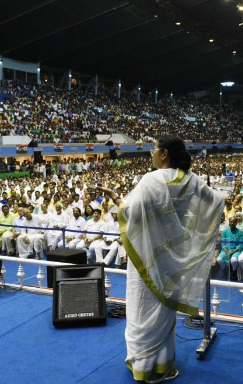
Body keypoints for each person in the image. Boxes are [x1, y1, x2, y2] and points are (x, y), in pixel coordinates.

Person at [95, 135, 224, 383]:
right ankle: (162, 367)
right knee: (164, 312)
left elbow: (130, 213)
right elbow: (216, 203)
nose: (150, 155)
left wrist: (115, 198)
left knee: (142, 309)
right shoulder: (192, 180)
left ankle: (143, 366)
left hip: (148, 256)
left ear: (164, 154)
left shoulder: (151, 180)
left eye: (152, 150)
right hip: (175, 259)